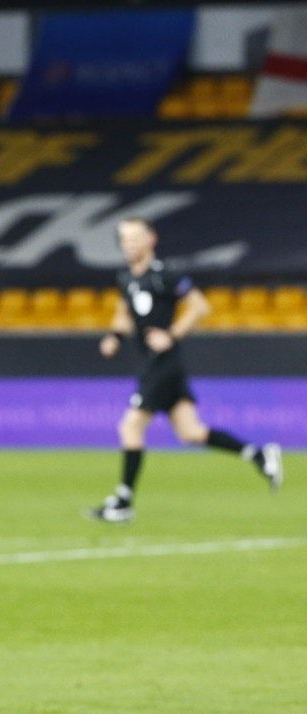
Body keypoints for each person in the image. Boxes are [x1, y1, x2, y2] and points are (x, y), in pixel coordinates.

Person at [85, 218, 283, 523]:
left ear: (151, 239)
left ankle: (123, 501)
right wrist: (114, 337)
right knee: (191, 433)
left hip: (163, 364)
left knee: (130, 427)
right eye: (125, 239)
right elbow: (125, 312)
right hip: (152, 363)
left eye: (136, 237)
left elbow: (200, 307)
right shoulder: (126, 277)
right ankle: (259, 455)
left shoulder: (165, 274)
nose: (130, 244)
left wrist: (172, 335)